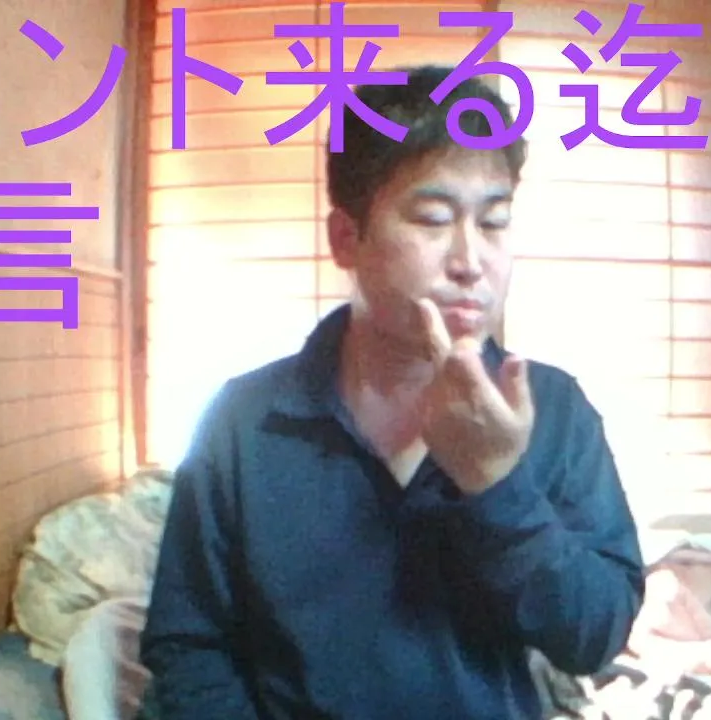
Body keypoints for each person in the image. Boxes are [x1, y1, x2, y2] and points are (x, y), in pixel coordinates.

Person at [140, 64, 646, 719]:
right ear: (346, 239)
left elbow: (595, 635)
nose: (471, 261)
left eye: (494, 222)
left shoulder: (554, 408)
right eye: (433, 219)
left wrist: (496, 484)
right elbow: (188, 643)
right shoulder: (246, 419)